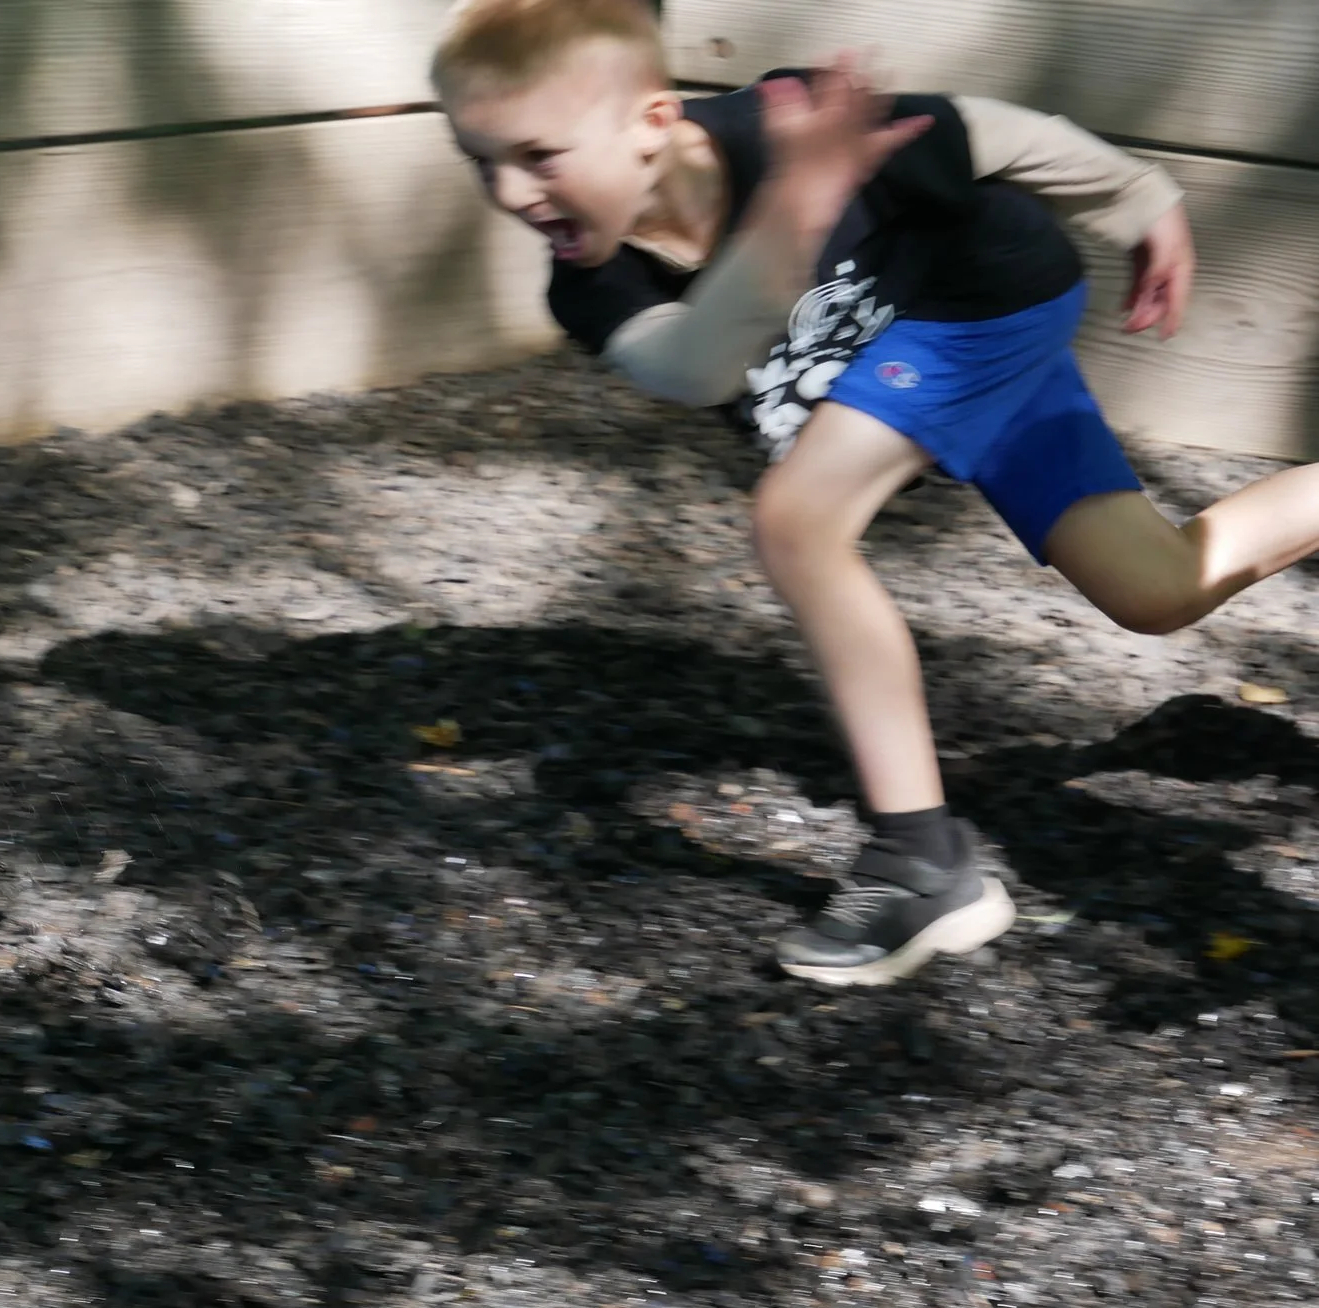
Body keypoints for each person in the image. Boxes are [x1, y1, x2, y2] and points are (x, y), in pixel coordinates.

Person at [431, 0, 1319, 986]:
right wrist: (790, 221)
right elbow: (692, 366)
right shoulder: (594, 288)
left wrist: (1141, 197)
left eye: (538, 155)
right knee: (1156, 590)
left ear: (653, 122)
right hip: (926, 356)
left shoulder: (798, 129)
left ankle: (920, 865)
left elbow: (987, 132)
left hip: (981, 299)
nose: (508, 193)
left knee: (797, 523)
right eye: (480, 162)